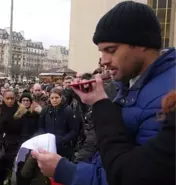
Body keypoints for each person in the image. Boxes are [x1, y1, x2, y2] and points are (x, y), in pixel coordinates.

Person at [32, 2, 176, 185]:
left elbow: (135, 175)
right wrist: (98, 100)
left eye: (111, 50)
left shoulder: (167, 95)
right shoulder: (130, 81)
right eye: (102, 52)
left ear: (142, 44)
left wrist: (66, 171)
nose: (104, 61)